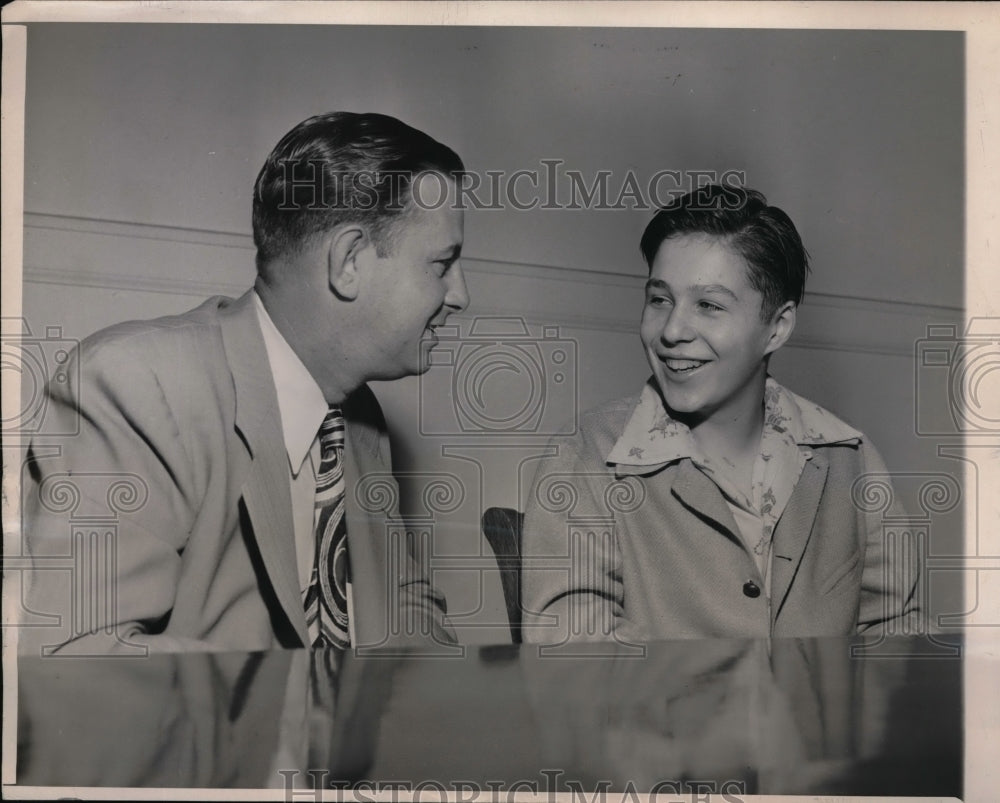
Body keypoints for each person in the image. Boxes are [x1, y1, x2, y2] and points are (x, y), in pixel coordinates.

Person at [19, 111, 469, 654]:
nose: (460, 294)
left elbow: (405, 603)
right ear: (349, 261)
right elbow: (80, 658)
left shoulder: (359, 419)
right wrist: (311, 708)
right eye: (443, 264)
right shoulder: (134, 384)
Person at [521, 185, 921, 643]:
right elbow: (573, 657)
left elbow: (897, 640)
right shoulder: (588, 456)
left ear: (777, 327)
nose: (672, 330)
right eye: (659, 299)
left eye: (708, 305)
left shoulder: (850, 459)